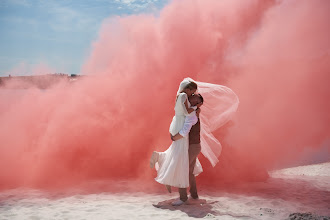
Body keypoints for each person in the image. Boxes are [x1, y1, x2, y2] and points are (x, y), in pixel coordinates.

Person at [149, 78, 202, 195]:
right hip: (180, 126)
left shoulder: (180, 96)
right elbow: (186, 113)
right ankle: (176, 187)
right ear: (187, 89)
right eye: (192, 92)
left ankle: (160, 158)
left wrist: (195, 108)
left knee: (176, 153)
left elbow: (183, 112)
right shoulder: (183, 96)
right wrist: (196, 108)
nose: (192, 95)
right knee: (179, 157)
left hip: (178, 123)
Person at [170, 93, 204, 206]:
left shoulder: (192, 114)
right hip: (194, 146)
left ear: (199, 103)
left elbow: (184, 132)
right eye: (193, 96)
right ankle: (194, 195)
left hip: (192, 146)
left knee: (182, 169)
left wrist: (174, 137)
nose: (193, 98)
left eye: (196, 98)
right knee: (189, 171)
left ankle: (183, 197)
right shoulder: (191, 111)